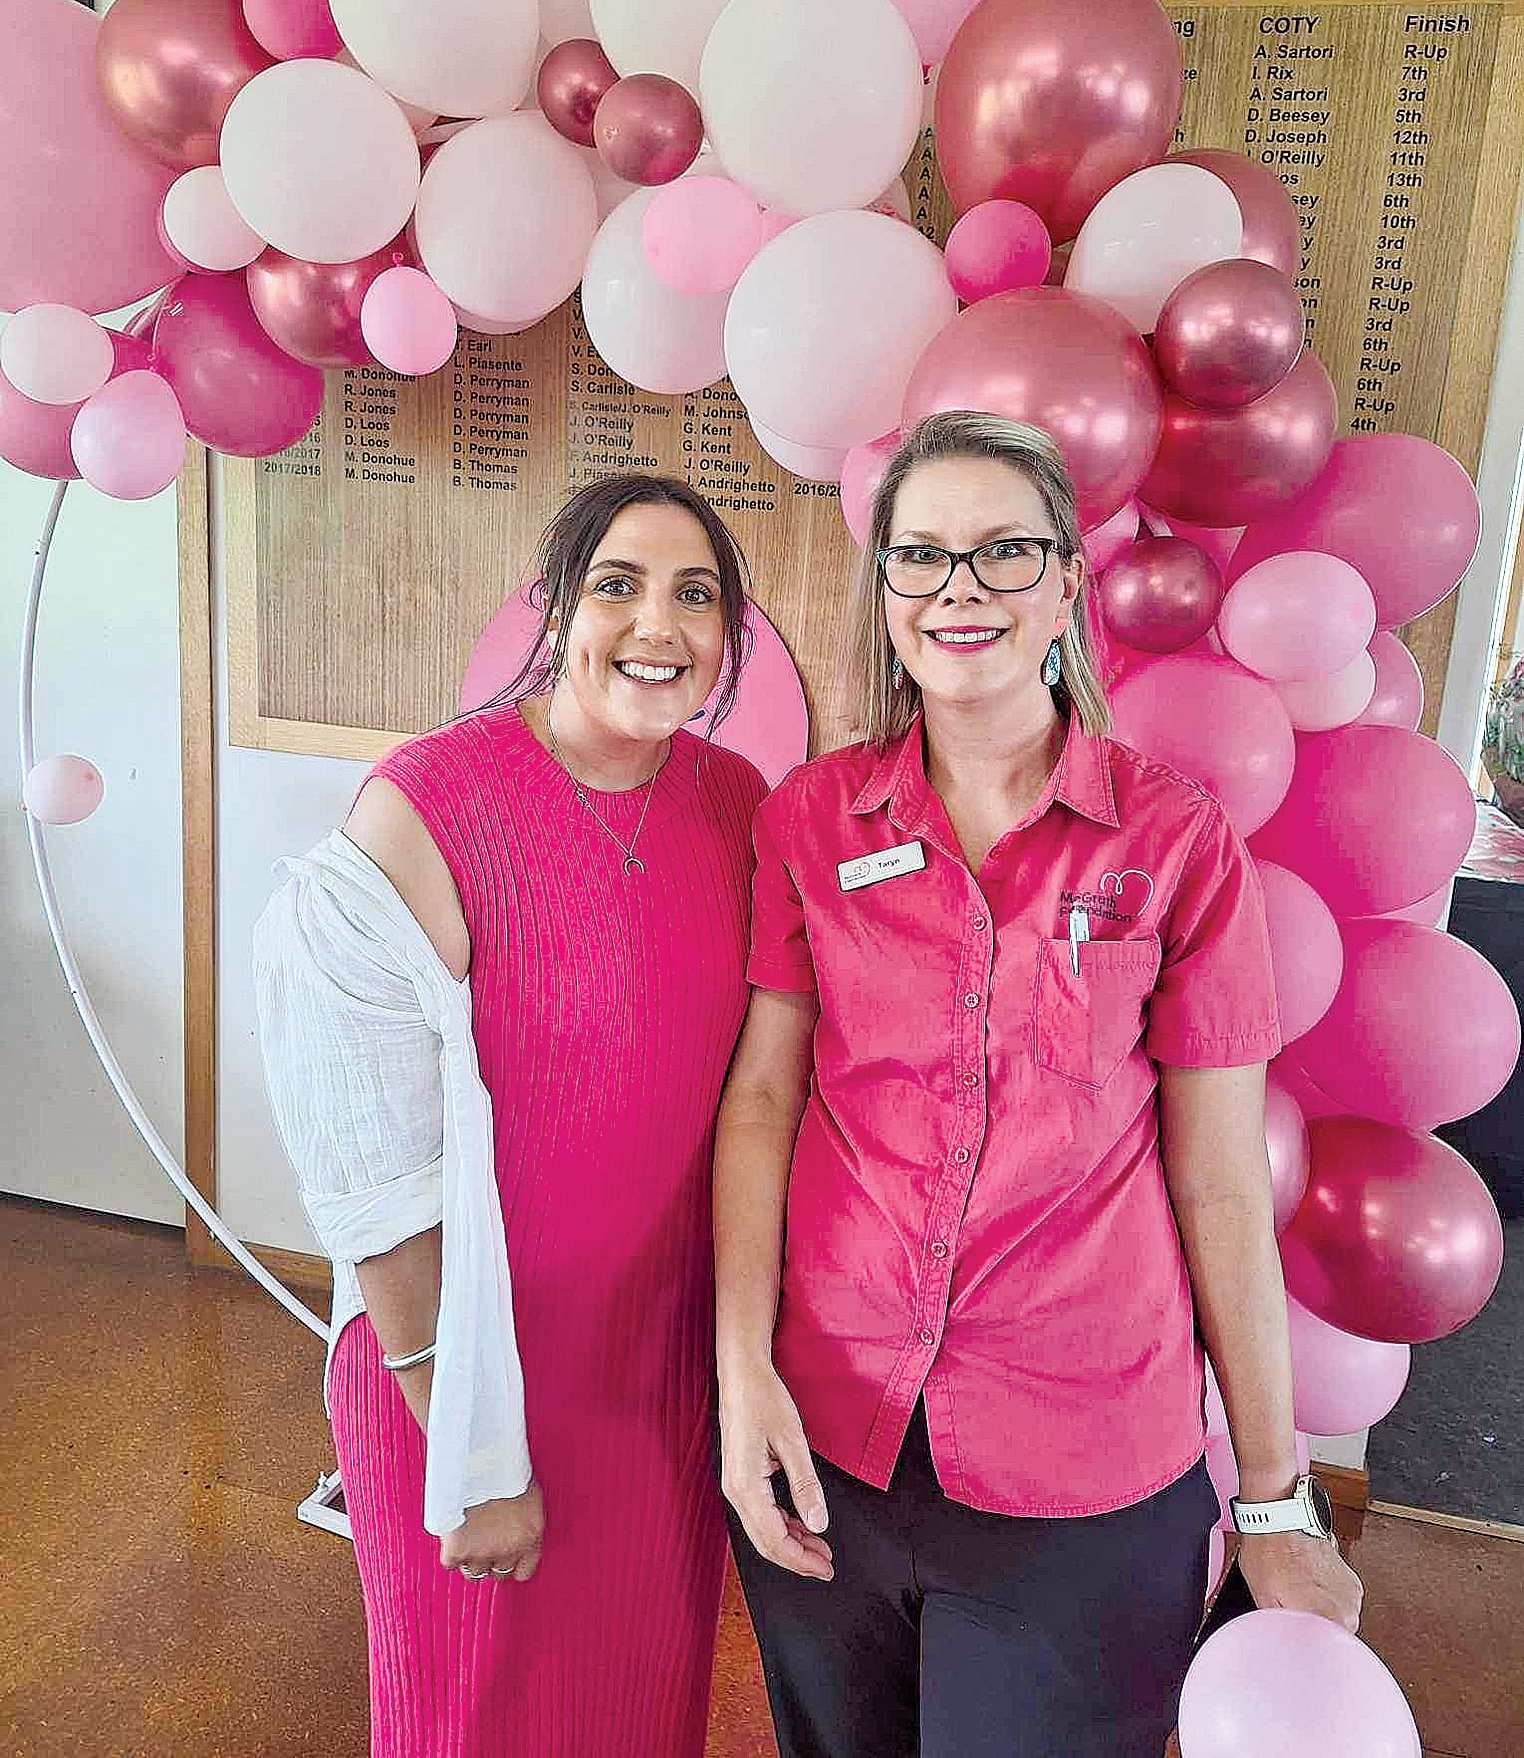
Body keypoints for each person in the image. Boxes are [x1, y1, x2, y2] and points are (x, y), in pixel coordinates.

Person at [714, 410, 1363, 1758]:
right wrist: (742, 1386)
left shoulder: (1175, 841)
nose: (961, 591)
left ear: (1068, 581)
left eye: (1005, 553)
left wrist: (1277, 1500)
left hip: (1085, 1468)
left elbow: (1222, 1181)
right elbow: (765, 1107)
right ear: (884, 587)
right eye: (924, 557)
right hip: (832, 1433)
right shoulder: (810, 820)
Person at [255, 475, 768, 1758]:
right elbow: (370, 1176)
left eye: (695, 594)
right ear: (553, 606)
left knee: (642, 1711)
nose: (659, 623)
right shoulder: (425, 805)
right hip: (472, 1366)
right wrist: (468, 1447)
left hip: (655, 1381)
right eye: (618, 584)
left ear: (728, 636)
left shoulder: (739, 803)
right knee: (469, 1719)